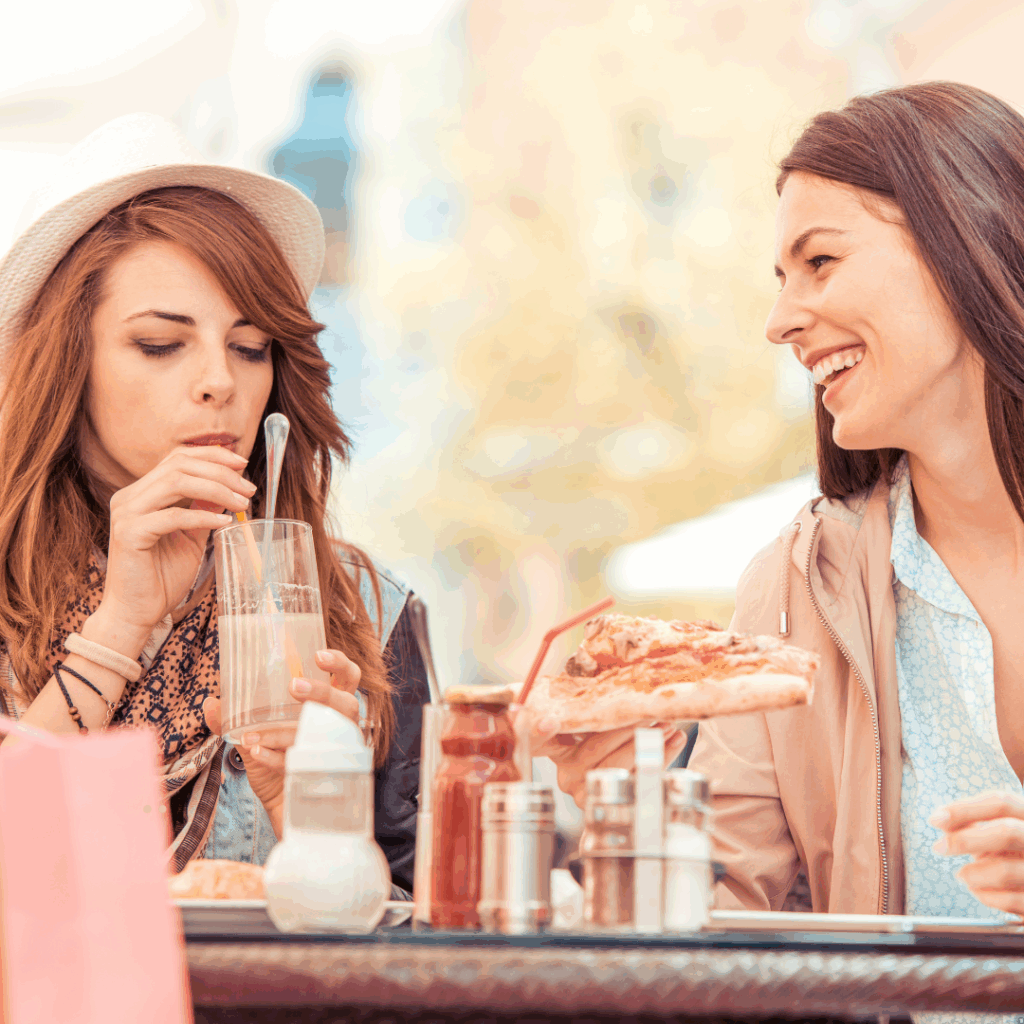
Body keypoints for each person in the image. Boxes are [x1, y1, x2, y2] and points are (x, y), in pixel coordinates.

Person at [0, 114, 430, 896]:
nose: (220, 383)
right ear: (67, 361)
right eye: (161, 344)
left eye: (250, 346)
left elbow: (435, 957)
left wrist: (307, 812)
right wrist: (118, 628)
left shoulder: (371, 610)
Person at [688, 81, 1024, 940]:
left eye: (821, 262)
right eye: (780, 278)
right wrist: (621, 819)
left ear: (967, 234)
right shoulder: (795, 593)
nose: (780, 321)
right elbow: (716, 927)